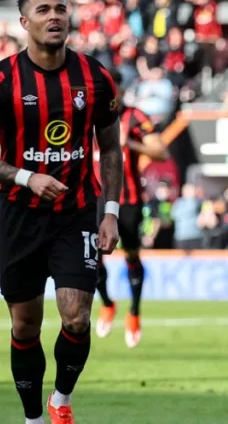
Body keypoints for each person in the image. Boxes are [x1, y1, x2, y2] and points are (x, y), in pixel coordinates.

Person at [0, 0, 123, 424]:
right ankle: (33, 417)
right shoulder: (2, 78)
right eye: (43, 10)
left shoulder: (95, 77)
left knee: (76, 317)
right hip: (20, 215)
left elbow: (110, 149)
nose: (54, 16)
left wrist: (110, 213)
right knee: (24, 326)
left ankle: (62, 401)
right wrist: (25, 176)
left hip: (76, 214)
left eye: (61, 9)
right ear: (24, 21)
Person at [94, 70, 169, 349]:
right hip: (95, 197)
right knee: (93, 255)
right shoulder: (86, 114)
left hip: (129, 198)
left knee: (131, 253)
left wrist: (130, 143)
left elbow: (162, 151)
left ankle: (134, 312)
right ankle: (107, 303)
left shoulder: (135, 117)